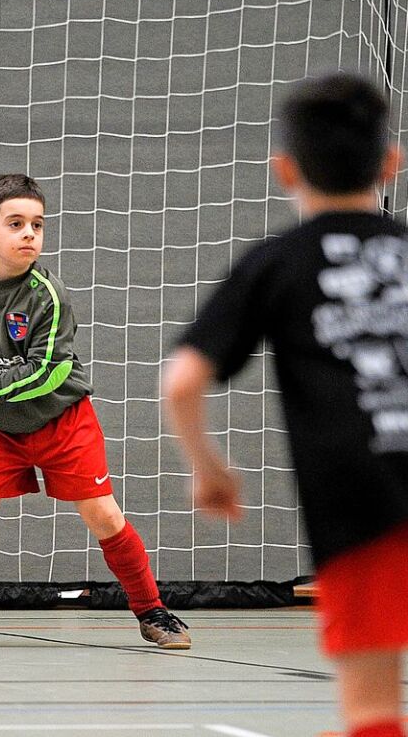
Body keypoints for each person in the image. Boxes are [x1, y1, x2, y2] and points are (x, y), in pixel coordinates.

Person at [162, 72, 407, 737]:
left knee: (371, 711)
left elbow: (181, 381)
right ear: (390, 162)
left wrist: (208, 469)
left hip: (364, 502)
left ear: (284, 170)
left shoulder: (278, 262)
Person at [0, 173, 191, 651]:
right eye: (15, 223)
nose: (29, 234)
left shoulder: (48, 295)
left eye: (37, 224)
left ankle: (151, 610)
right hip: (1, 427)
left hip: (63, 422)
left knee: (103, 515)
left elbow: (47, 372)